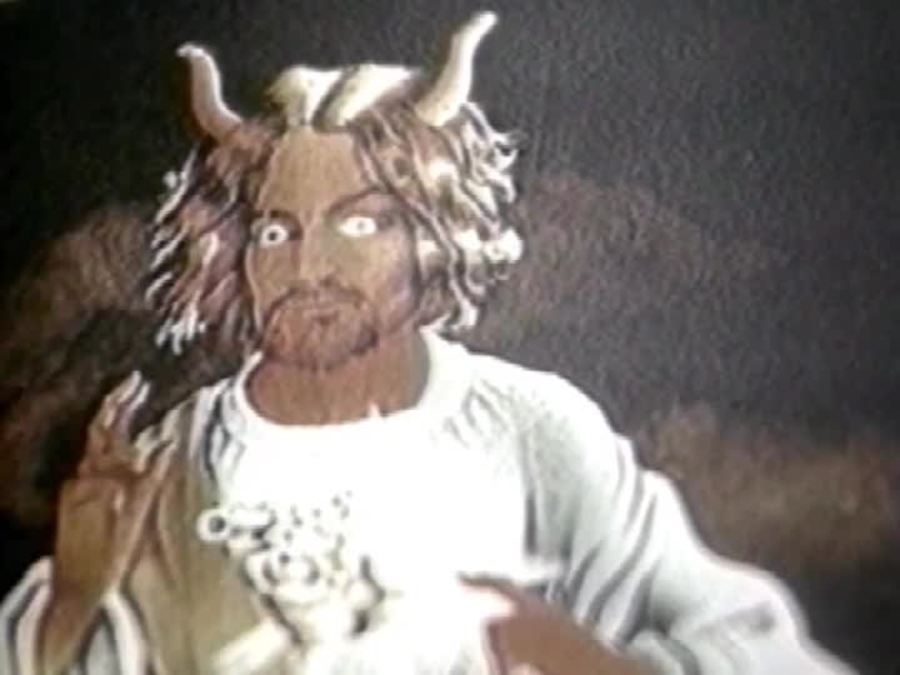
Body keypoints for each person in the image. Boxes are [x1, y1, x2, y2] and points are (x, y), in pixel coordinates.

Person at [0, 11, 854, 675]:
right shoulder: (174, 458)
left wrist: (581, 658)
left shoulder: (532, 431)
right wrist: (72, 604)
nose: (308, 267)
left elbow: (765, 648)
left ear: (434, 237)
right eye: (275, 231)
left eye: (359, 223)